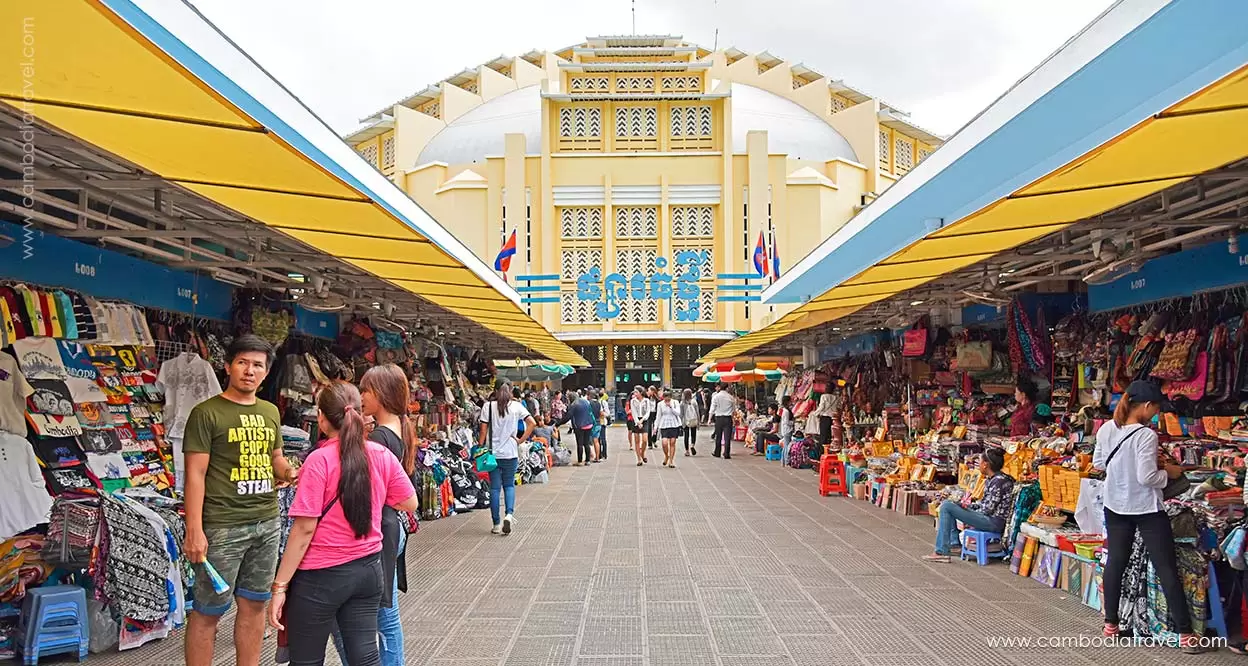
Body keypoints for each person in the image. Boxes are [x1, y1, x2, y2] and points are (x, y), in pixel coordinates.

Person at [267, 381, 418, 666]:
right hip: (368, 571)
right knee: (365, 657)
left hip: (320, 579)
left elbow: (304, 530)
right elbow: (410, 503)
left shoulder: (318, 460)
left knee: (307, 659)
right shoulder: (380, 454)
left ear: (322, 419)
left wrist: (280, 587)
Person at [183, 335, 295, 666]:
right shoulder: (206, 413)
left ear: (266, 372)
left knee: (255, 605)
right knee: (207, 612)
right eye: (242, 362)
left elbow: (275, 457)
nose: (249, 370)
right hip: (221, 528)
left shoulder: (270, 411)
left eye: (257, 365)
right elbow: (194, 475)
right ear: (228, 365)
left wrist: (290, 471)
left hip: (266, 522)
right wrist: (194, 529)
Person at [1094, 380, 1204, 653]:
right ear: (1145, 406)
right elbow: (1147, 478)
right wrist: (1170, 473)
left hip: (1115, 505)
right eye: (1155, 408)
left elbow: (1098, 463)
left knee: (1115, 563)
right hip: (1145, 509)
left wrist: (1126, 468)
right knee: (1166, 568)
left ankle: (1111, 625)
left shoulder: (1107, 428)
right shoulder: (1146, 435)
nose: (1155, 413)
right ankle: (1187, 635)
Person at [348, 365, 418, 666]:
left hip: (383, 527)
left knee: (384, 613)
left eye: (366, 391)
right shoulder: (400, 429)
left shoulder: (378, 439)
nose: (361, 396)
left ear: (382, 394)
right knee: (385, 609)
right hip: (393, 527)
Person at [925, 448, 1015, 564]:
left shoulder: (999, 481)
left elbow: (987, 509)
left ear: (986, 465)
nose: (979, 465)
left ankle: (941, 551)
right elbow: (985, 505)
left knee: (947, 507)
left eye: (980, 462)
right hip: (990, 518)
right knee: (951, 505)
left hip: (992, 521)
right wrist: (964, 506)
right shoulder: (995, 479)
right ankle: (954, 544)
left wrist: (967, 509)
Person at [479, 382, 536, 535]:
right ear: (510, 391)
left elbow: (483, 431)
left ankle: (496, 524)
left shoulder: (488, 407)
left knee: (495, 488)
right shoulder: (517, 407)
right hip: (510, 452)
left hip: (493, 454)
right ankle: (509, 515)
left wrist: (479, 448)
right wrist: (520, 440)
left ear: (496, 391)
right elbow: (532, 423)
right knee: (509, 486)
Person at [558, 390, 595, 466]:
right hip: (589, 425)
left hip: (579, 426)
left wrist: (558, 423)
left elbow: (568, 417)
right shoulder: (585, 401)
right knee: (586, 443)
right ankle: (587, 460)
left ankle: (580, 461)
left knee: (580, 444)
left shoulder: (574, 405)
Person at [655, 388, 683, 468]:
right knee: (664, 443)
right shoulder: (660, 404)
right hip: (664, 424)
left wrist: (671, 407)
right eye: (665, 397)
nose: (667, 399)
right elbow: (658, 415)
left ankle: (671, 460)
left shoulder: (675, 402)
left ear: (671, 397)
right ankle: (666, 456)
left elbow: (678, 413)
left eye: (668, 398)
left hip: (674, 424)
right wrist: (656, 427)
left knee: (672, 442)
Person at [709, 384, 736, 459]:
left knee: (718, 436)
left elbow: (712, 409)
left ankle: (717, 452)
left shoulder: (716, 397)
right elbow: (734, 410)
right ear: (727, 388)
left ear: (720, 388)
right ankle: (727, 453)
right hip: (728, 418)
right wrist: (733, 419)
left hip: (719, 418)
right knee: (727, 437)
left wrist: (709, 419)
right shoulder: (731, 397)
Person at [629, 387, 651, 466]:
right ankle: (639, 459)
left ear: (641, 393)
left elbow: (648, 412)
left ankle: (642, 452)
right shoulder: (633, 401)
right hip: (636, 420)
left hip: (644, 420)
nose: (635, 394)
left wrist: (642, 420)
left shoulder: (646, 401)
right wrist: (638, 422)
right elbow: (633, 412)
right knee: (637, 440)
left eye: (636, 392)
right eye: (634, 392)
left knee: (645, 440)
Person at [587, 388, 605, 462]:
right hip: (598, 423)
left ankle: (590, 456)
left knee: (588, 441)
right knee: (596, 441)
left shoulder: (588, 403)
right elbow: (602, 414)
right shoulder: (598, 403)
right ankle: (597, 457)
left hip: (590, 424)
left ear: (590, 395)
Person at [680, 389, 699, 456]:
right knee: (693, 434)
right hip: (693, 420)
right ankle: (692, 445)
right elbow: (697, 412)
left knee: (686, 436)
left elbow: (681, 414)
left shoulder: (682, 403)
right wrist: (698, 422)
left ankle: (687, 451)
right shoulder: (694, 402)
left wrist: (680, 423)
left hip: (686, 421)